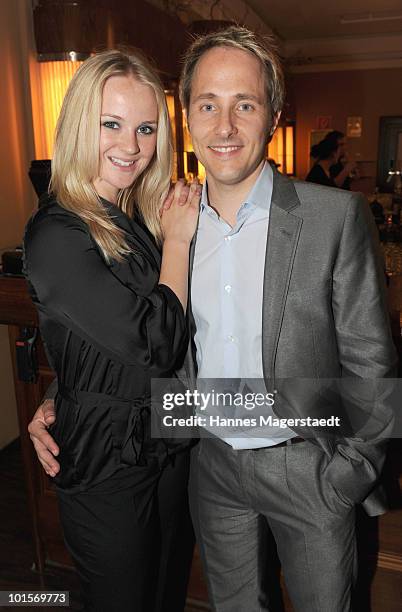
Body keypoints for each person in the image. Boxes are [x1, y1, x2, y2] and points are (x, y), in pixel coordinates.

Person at [29, 27, 397, 612]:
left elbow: (373, 362)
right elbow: (125, 334)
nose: (224, 127)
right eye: (208, 105)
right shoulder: (167, 221)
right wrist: (66, 403)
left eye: (243, 105)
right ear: (189, 117)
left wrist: (347, 476)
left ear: (272, 115)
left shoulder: (335, 217)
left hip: (310, 470)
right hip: (208, 466)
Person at [23, 48, 200, 612]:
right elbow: (158, 341)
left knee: (165, 592)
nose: (131, 145)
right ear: (80, 124)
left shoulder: (135, 216)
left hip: (166, 444)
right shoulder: (56, 230)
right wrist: (178, 242)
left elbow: (102, 339)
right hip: (105, 463)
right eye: (112, 124)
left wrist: (57, 390)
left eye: (146, 128)